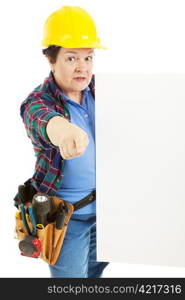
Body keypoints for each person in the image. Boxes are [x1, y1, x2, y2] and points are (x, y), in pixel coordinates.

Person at [16, 6, 109, 278]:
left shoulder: (102, 92)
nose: (83, 67)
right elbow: (42, 119)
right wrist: (63, 131)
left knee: (94, 277)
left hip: (109, 214)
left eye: (88, 57)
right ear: (51, 60)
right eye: (71, 59)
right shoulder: (39, 101)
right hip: (67, 220)